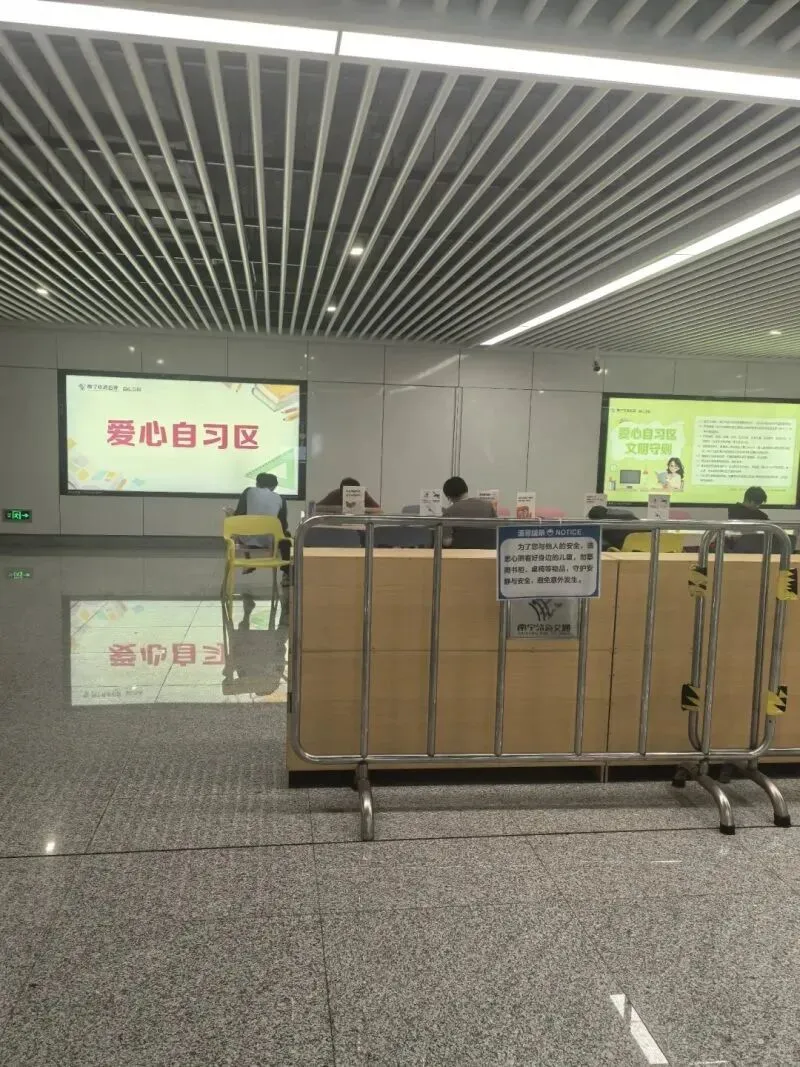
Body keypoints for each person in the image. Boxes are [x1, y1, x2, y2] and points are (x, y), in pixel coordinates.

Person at [234, 472, 291, 577]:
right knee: (286, 537)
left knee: (242, 527)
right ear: (274, 486)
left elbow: (239, 514)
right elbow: (283, 525)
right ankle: (287, 572)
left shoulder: (248, 491)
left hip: (246, 539)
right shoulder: (280, 499)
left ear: (257, 483)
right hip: (270, 540)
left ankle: (249, 562)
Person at [442, 476, 496, 549]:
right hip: (487, 552)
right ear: (466, 489)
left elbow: (447, 542)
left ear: (449, 497)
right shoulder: (488, 506)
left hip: (460, 553)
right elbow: (497, 532)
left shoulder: (449, 512)